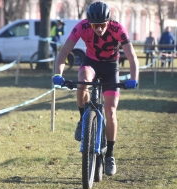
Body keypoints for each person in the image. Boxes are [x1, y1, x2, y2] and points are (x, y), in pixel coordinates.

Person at [52, 1, 139, 176]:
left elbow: (132, 56)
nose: (99, 29)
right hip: (90, 63)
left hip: (110, 68)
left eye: (102, 25)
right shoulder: (81, 27)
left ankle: (110, 156)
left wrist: (133, 79)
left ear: (108, 21)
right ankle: (82, 119)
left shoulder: (118, 29)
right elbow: (64, 52)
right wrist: (58, 74)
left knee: (111, 111)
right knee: (82, 80)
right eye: (95, 26)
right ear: (89, 23)